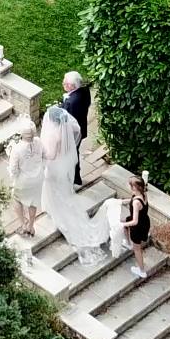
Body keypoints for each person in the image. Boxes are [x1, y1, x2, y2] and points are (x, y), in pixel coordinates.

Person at [38, 106, 110, 263]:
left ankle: (53, 209)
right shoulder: (67, 130)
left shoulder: (53, 136)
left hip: (53, 168)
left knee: (53, 189)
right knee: (60, 190)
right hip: (63, 167)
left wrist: (39, 153)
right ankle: (55, 206)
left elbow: (50, 154)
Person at [5, 118, 44, 233]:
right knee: (33, 202)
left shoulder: (16, 149)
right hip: (37, 179)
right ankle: (31, 226)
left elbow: (14, 170)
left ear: (21, 133)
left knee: (17, 199)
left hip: (24, 181)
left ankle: (23, 225)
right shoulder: (38, 141)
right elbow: (42, 156)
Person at [60, 71, 92, 184]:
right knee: (74, 152)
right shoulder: (84, 91)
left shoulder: (72, 103)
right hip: (81, 127)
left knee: (71, 154)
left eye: (65, 82)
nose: (63, 83)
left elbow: (68, 120)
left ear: (71, 86)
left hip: (73, 133)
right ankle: (75, 177)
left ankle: (75, 178)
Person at [121, 176, 153, 278]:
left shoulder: (136, 202)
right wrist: (121, 201)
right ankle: (128, 243)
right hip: (144, 221)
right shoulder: (143, 194)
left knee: (137, 249)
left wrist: (121, 224)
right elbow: (132, 199)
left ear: (135, 187)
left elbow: (134, 221)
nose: (130, 187)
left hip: (138, 226)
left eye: (131, 185)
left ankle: (142, 271)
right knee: (125, 222)